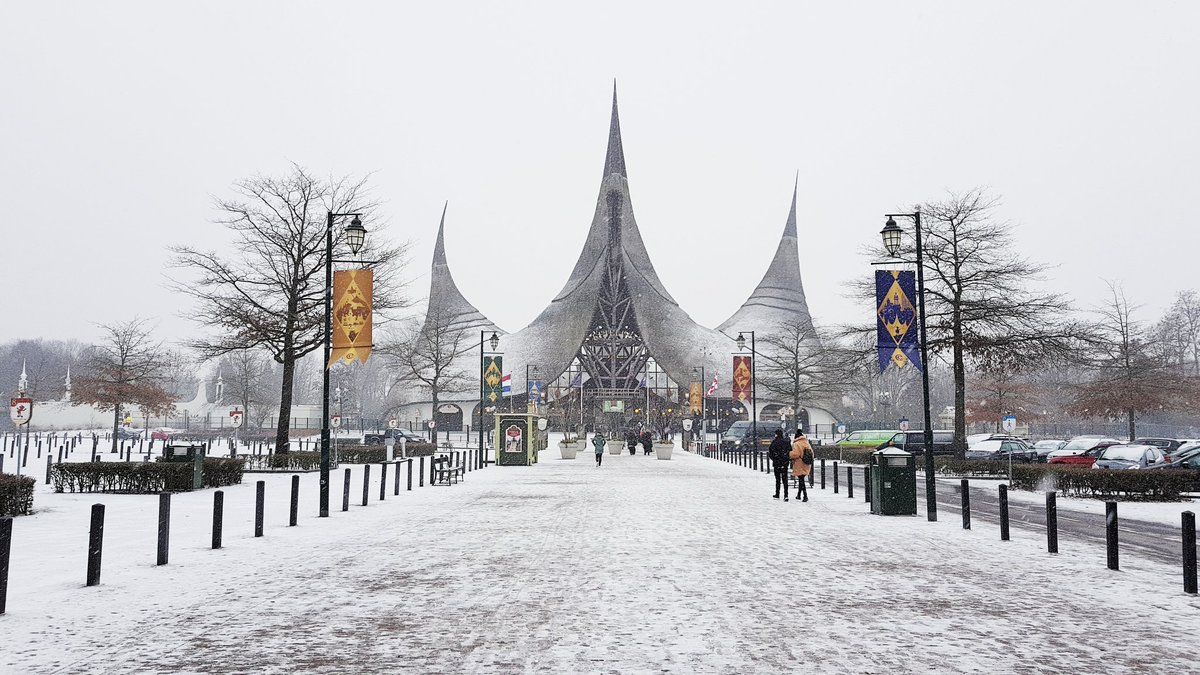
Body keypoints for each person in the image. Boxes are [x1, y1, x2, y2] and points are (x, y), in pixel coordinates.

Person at [789, 429, 813, 502]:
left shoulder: (796, 444)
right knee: (801, 478)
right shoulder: (807, 443)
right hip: (807, 463)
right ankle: (799, 495)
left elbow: (795, 454)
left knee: (801, 479)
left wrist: (789, 454)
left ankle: (805, 496)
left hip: (799, 463)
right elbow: (811, 453)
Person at [768, 428, 792, 501]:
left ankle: (777, 494)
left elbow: (770, 453)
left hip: (777, 463)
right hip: (784, 463)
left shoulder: (774, 442)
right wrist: (786, 459)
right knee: (785, 480)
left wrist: (775, 459)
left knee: (778, 480)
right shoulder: (786, 442)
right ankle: (786, 495)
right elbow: (790, 452)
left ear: (776, 434)